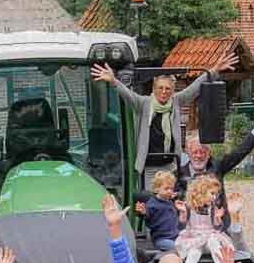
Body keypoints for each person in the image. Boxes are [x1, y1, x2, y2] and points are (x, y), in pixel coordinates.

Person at [89, 54, 237, 175]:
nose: (164, 92)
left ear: (172, 90)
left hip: (170, 166)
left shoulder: (176, 102)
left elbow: (194, 88)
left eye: (167, 89)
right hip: (147, 168)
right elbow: (127, 94)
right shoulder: (143, 103)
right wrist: (113, 81)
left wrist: (214, 70)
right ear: (154, 89)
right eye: (160, 88)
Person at [135, 171, 182, 251]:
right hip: (161, 239)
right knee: (176, 248)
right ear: (156, 189)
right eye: (166, 188)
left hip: (175, 237)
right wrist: (144, 212)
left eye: (171, 188)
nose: (170, 191)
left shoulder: (169, 202)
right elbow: (148, 217)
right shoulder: (152, 204)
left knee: (187, 246)